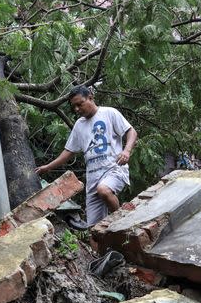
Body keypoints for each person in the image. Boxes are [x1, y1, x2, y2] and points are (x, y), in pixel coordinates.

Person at [35, 86, 138, 227]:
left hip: (113, 169)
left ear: (90, 97)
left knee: (104, 190)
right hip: (93, 178)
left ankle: (122, 224)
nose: (77, 109)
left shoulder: (109, 113)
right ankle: (101, 248)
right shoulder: (79, 125)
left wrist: (126, 151)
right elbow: (68, 152)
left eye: (80, 104)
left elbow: (131, 131)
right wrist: (48, 167)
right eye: (74, 106)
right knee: (94, 230)